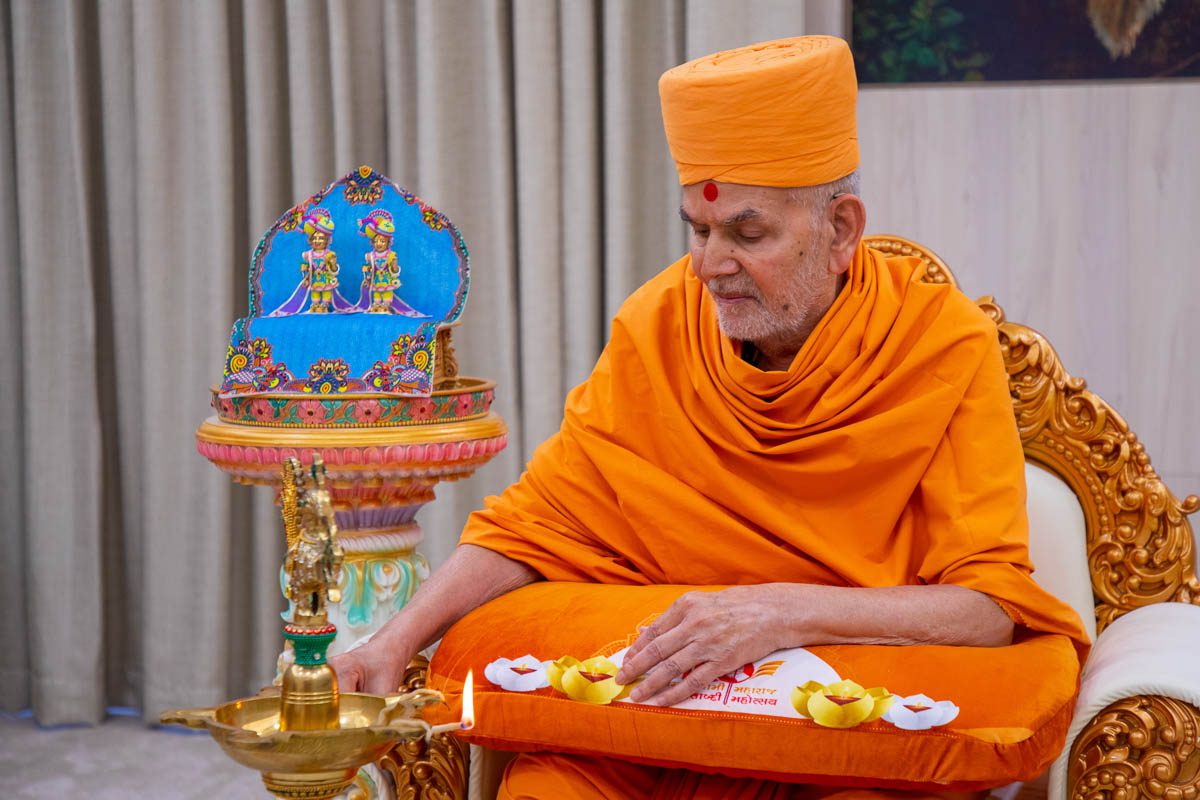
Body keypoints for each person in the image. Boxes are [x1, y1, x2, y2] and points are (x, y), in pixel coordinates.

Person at [331, 36, 1087, 798]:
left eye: (746, 234)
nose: (708, 265)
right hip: (643, 732)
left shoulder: (940, 344)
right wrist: (389, 643)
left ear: (841, 230)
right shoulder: (658, 322)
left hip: (840, 739)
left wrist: (780, 613)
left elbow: (987, 608)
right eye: (698, 229)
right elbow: (533, 526)